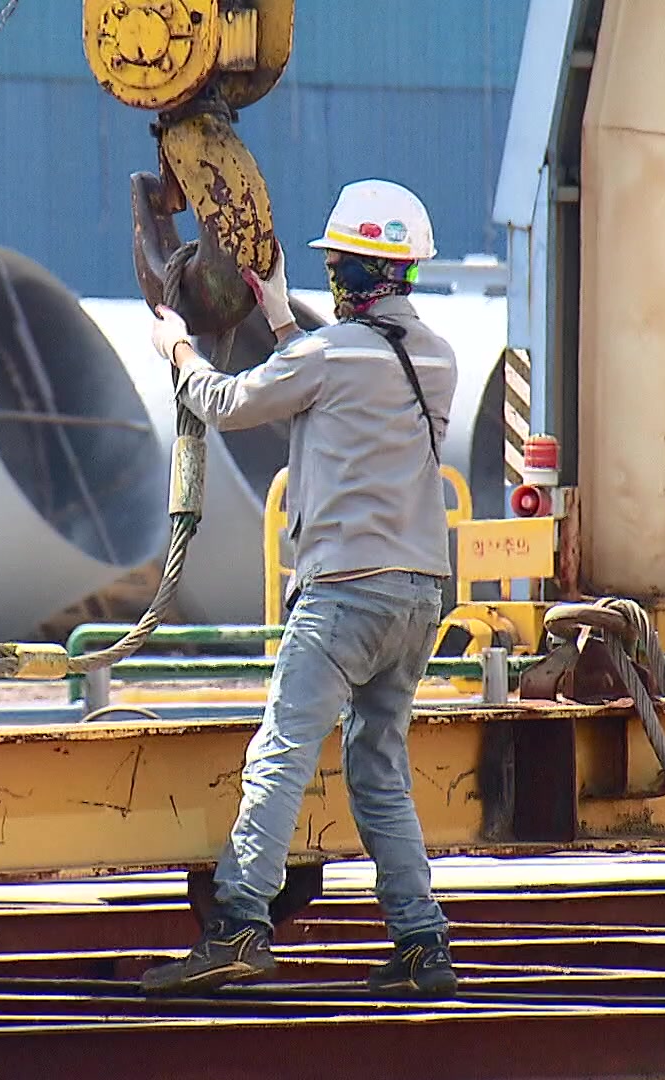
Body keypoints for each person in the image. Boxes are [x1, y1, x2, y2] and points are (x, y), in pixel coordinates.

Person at [139, 180, 460, 998]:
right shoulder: (436, 358)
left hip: (343, 595)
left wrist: (175, 346)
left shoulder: (328, 354)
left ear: (348, 272)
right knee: (378, 765)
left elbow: (228, 402)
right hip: (419, 595)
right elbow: (335, 375)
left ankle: (241, 923)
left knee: (280, 756)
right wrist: (279, 314)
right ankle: (423, 945)